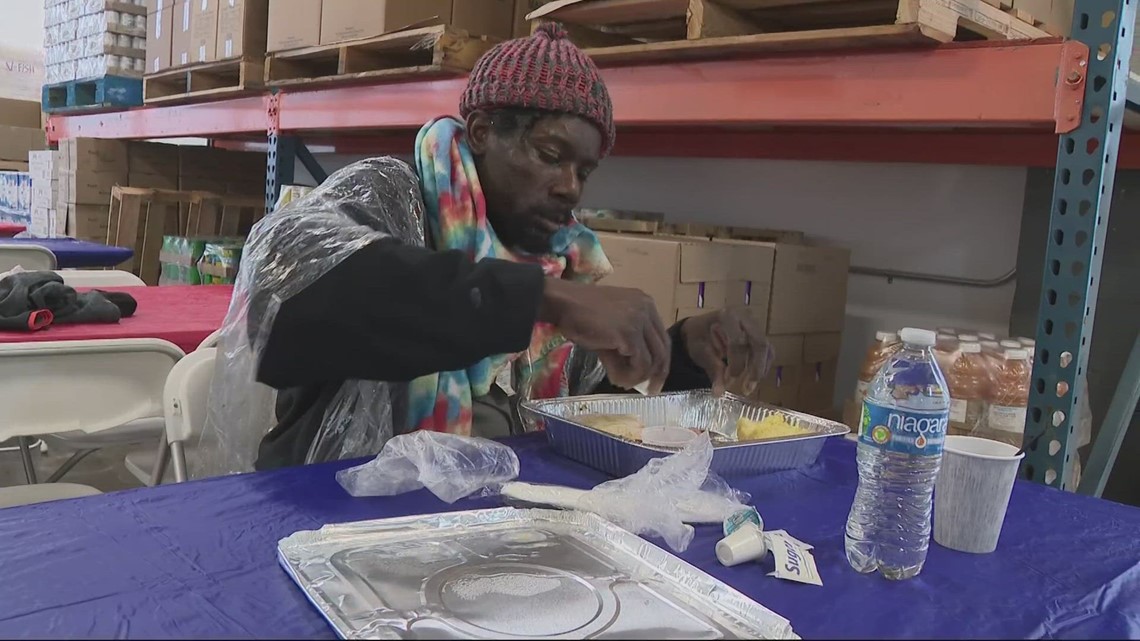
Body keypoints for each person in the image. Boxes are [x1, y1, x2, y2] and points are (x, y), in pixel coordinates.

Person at [200, 24, 771, 475]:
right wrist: (543, 301)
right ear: (480, 133)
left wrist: (683, 351)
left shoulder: (559, 258)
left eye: (584, 170)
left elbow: (594, 412)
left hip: (490, 535)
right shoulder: (390, 197)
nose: (571, 186)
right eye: (551, 155)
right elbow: (287, 295)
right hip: (339, 527)